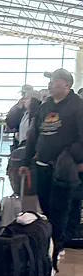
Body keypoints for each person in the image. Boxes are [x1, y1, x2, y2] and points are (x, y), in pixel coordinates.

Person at [25, 68, 83, 265]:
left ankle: (59, 245)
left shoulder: (78, 106)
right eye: (50, 82)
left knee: (62, 208)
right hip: (42, 165)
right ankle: (52, 241)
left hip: (65, 169)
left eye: (55, 81)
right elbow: (34, 134)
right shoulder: (46, 105)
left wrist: (76, 159)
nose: (51, 85)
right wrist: (26, 160)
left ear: (67, 84)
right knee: (46, 205)